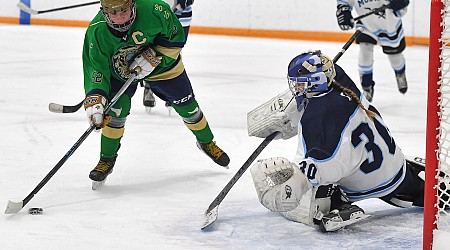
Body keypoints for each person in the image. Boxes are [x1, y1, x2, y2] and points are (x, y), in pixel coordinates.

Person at [248, 50, 431, 232]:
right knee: (420, 191)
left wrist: (294, 184)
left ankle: (337, 203)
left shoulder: (319, 118)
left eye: (300, 84)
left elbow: (323, 165)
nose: (296, 88)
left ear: (316, 83)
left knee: (308, 196)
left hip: (369, 183)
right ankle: (423, 184)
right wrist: (292, 112)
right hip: (393, 163)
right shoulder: (339, 81)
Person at [82, 0, 230, 185]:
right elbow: (96, 69)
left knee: (187, 105)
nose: (119, 17)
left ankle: (207, 142)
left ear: (133, 5)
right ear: (103, 12)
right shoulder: (96, 31)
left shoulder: (155, 10)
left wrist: (156, 56)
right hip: (119, 73)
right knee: (115, 110)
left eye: (124, 11)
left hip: (161, 67)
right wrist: (96, 97)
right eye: (113, 13)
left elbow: (175, 38)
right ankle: (106, 159)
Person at [335, 0, 410, 102]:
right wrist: (344, 11)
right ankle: (366, 87)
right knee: (365, 53)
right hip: (366, 23)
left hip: (389, 24)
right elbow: (344, 2)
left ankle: (400, 73)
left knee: (395, 57)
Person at [143, 0, 194, 111]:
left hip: (181, 15)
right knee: (151, 49)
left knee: (173, 51)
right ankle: (149, 86)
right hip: (155, 11)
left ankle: (172, 88)